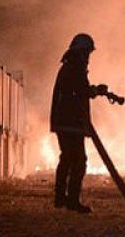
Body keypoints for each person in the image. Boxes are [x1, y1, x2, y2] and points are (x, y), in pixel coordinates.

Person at [49, 33, 116, 214]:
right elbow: (81, 90)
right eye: (87, 52)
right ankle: (71, 201)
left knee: (67, 158)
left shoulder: (69, 67)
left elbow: (78, 90)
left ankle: (60, 198)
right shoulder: (74, 68)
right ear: (81, 51)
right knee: (78, 161)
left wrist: (95, 91)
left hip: (65, 121)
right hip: (71, 122)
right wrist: (96, 90)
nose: (88, 57)